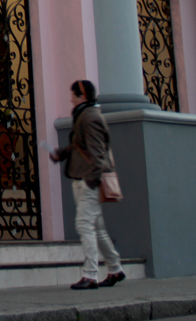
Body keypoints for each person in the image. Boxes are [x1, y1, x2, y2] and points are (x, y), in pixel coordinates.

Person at [49, 79, 125, 290]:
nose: (70, 99)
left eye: (73, 95)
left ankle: (90, 275)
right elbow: (80, 146)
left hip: (88, 180)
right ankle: (115, 269)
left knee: (84, 224)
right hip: (82, 177)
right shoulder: (85, 115)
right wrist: (62, 153)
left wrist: (93, 178)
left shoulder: (90, 117)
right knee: (97, 228)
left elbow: (98, 150)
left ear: (81, 96)